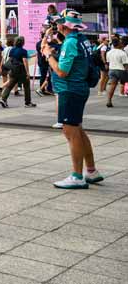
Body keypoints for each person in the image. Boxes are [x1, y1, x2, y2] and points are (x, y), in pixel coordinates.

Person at [42, 10, 104, 189]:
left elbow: (62, 71)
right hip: (80, 88)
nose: (57, 25)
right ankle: (91, 171)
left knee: (71, 133)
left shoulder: (70, 42)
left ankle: (77, 176)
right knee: (78, 130)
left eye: (60, 22)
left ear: (64, 25)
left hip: (70, 90)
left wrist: (48, 55)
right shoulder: (81, 39)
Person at [0, 36, 35, 108]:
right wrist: (27, 72)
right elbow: (25, 61)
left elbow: (10, 59)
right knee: (26, 86)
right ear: (23, 43)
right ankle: (27, 103)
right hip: (21, 71)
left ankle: (3, 99)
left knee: (10, 85)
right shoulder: (23, 51)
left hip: (13, 70)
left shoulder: (12, 50)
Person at [104, 37, 127, 108]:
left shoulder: (109, 52)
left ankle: (109, 101)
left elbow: (107, 63)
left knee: (112, 86)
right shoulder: (122, 53)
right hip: (121, 70)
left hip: (112, 70)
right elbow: (126, 65)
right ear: (119, 44)